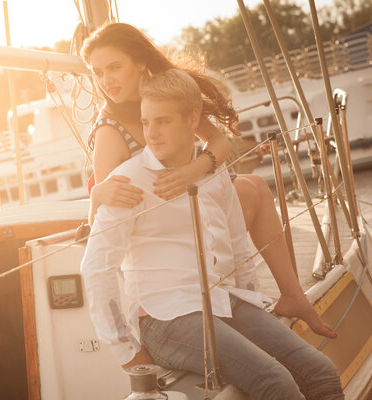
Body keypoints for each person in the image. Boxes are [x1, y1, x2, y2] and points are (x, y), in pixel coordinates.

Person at [80, 68, 344, 400]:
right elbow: (96, 268)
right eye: (146, 123)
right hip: (165, 317)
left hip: (221, 301)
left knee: (320, 371)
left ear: (192, 119)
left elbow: (235, 247)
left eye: (162, 121)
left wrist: (251, 305)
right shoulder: (128, 182)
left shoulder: (212, 172)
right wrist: (127, 353)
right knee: (276, 383)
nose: (152, 134)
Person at [81, 22, 335, 339]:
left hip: (194, 206)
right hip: (164, 236)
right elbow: (106, 223)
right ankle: (251, 295)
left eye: (114, 67)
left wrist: (193, 169)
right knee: (248, 188)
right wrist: (96, 196)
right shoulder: (109, 131)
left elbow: (220, 141)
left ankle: (291, 295)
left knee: (254, 186)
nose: (106, 81)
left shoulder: (163, 93)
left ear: (140, 61)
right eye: (98, 72)